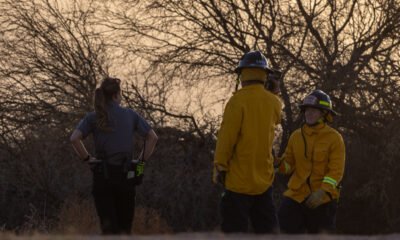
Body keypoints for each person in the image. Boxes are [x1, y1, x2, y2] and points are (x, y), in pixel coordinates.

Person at [70, 77, 158, 234]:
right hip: (127, 176)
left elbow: (74, 138)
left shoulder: (93, 117)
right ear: (116, 95)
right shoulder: (130, 115)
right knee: (125, 230)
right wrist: (140, 162)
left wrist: (88, 159)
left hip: (102, 175)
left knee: (108, 230)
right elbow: (153, 137)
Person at [213, 50, 282, 233]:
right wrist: (274, 92)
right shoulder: (275, 102)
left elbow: (227, 137)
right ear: (265, 75)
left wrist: (220, 166)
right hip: (264, 181)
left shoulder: (237, 101)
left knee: (234, 232)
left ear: (242, 74)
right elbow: (276, 120)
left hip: (238, 182)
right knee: (268, 233)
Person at [276, 90, 345, 234]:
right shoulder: (296, 136)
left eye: (313, 110)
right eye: (307, 110)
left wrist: (322, 191)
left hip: (323, 199)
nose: (309, 113)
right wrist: (278, 164)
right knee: (285, 228)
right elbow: (289, 166)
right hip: (296, 195)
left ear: (324, 114)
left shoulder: (334, 138)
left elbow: (336, 171)